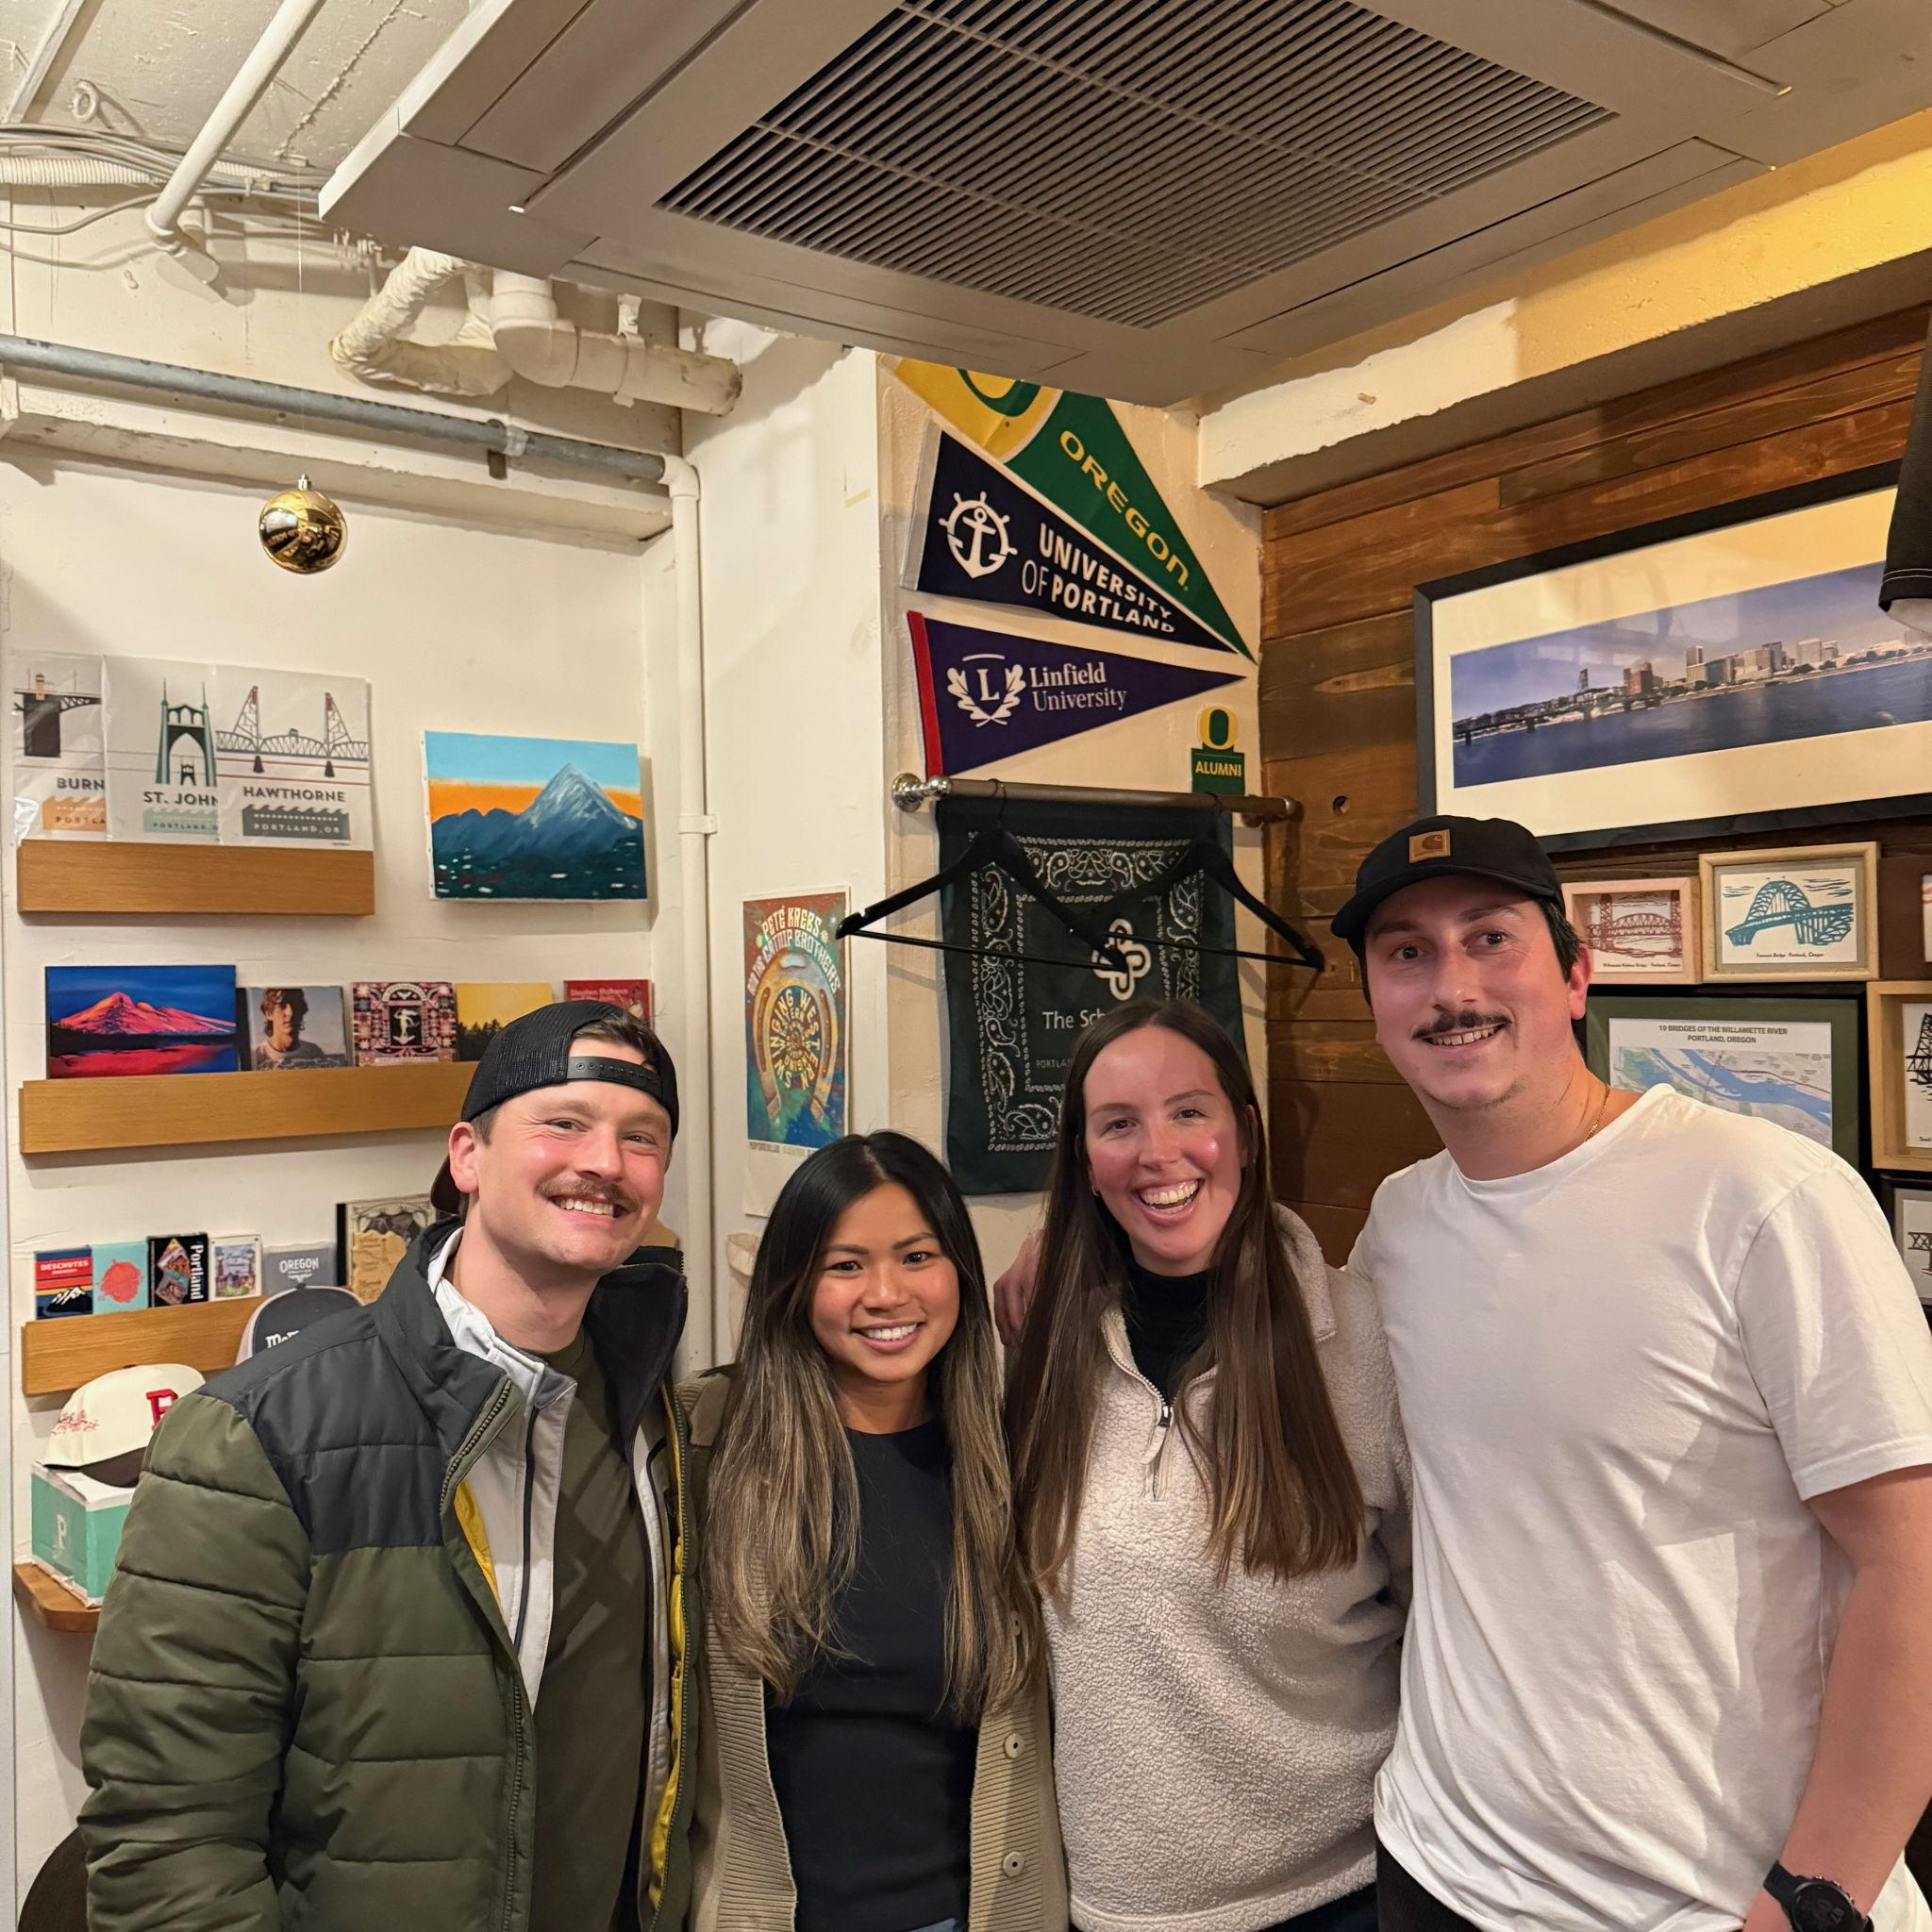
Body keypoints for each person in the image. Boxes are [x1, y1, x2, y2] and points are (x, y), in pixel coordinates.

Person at [1331, 814, 1932, 1932]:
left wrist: (1815, 1897)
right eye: (1405, 951)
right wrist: (1076, 1267)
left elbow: (1914, 1562)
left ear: (1573, 975)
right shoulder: (1398, 1223)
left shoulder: (1761, 1196)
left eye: (1489, 938)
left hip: (1701, 1902)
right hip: (1437, 1867)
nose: (1449, 984)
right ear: (1374, 999)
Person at [79, 999, 701, 1932]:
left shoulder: (652, 1407)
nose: (605, 1161)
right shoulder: (255, 1435)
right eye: (562, 1121)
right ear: (468, 1156)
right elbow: (167, 1842)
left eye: (641, 1136)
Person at [1005, 998, 1407, 1932]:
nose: (1157, 1152)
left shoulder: (1366, 1348)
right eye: (1118, 1123)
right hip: (1108, 1902)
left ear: (1245, 1130)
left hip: (1342, 1889)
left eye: (1189, 1110)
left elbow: (1451, 1616)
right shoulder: (1038, 1349)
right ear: (1082, 1155)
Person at [683, 1130, 1062, 1932]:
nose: (886, 1295)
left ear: (960, 1269)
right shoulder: (703, 1443)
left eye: (917, 1257)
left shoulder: (1015, 1457)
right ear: (792, 1283)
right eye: (845, 1265)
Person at [251, 985, 340, 1068]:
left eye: (295, 1005)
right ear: (268, 1014)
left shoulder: (314, 1053)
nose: (290, 1013)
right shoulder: (257, 1056)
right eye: (282, 1006)